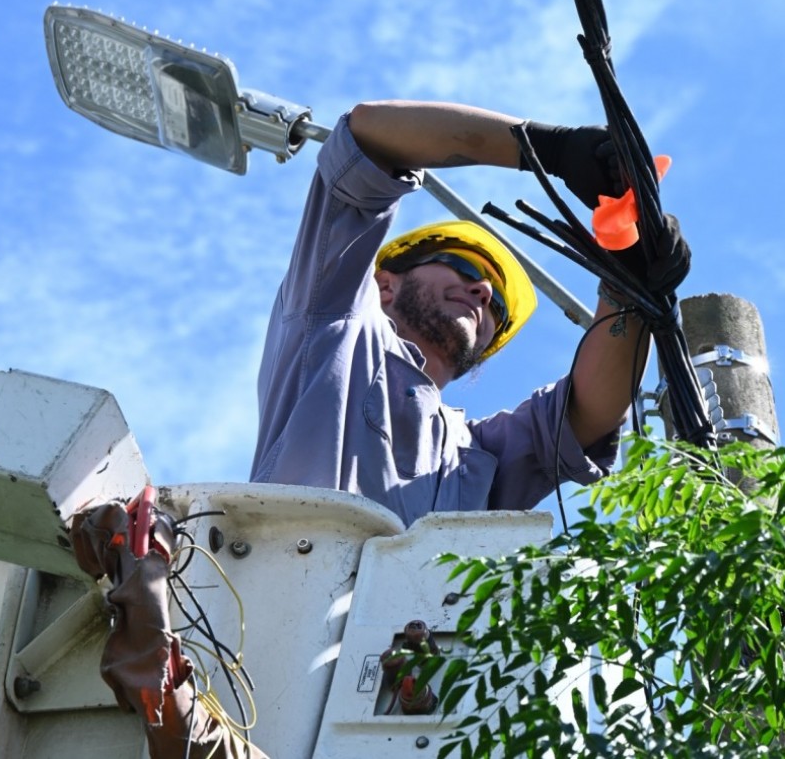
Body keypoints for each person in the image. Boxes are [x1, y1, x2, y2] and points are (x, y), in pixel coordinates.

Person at [249, 100, 689, 527]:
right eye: (462, 267)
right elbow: (367, 136)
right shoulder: (334, 322)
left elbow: (588, 414)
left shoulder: (473, 458)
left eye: (496, 305)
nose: (481, 291)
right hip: (281, 592)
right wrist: (545, 148)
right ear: (385, 283)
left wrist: (626, 284)